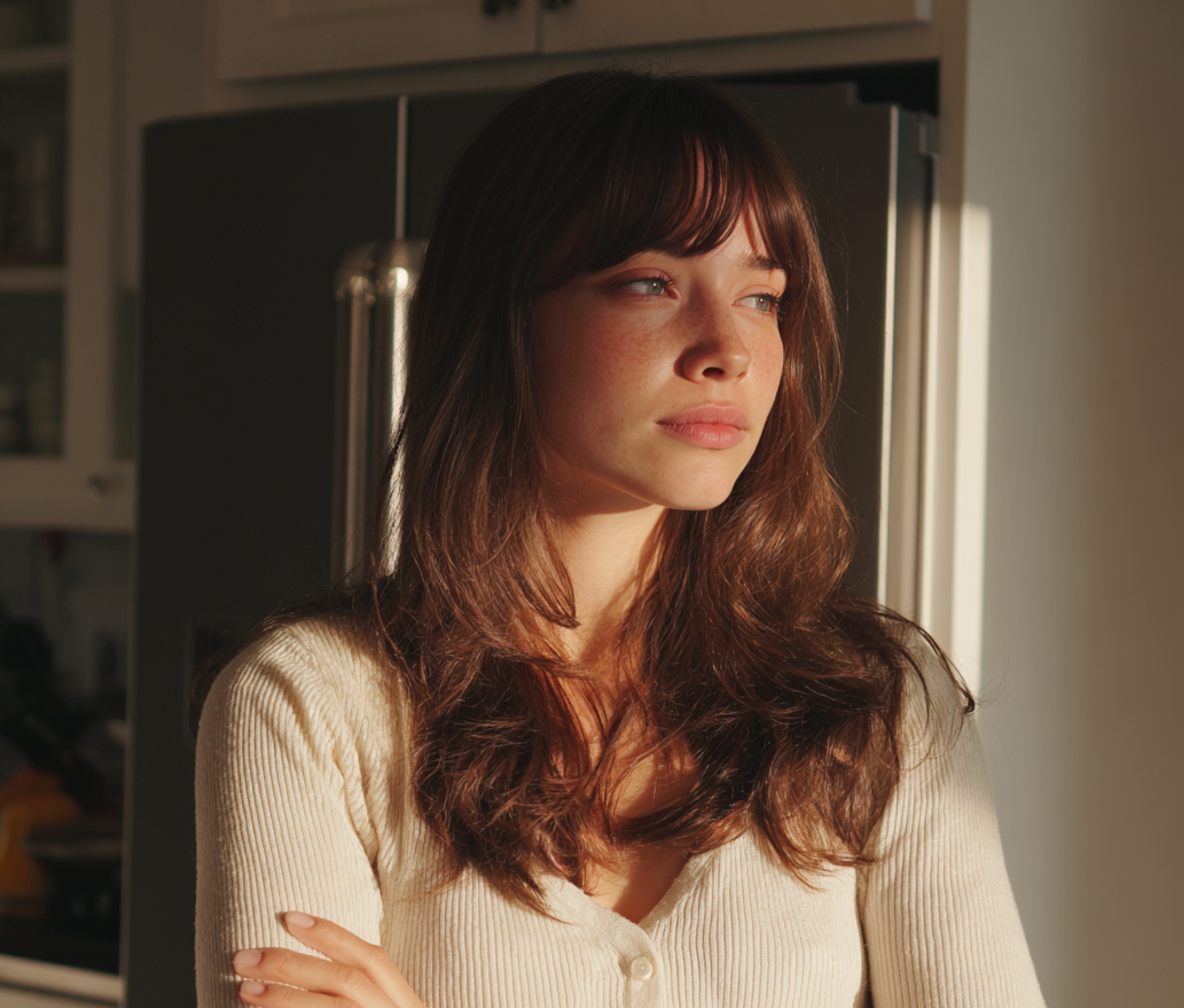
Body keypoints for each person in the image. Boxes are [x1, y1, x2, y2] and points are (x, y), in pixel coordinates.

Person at [195, 69, 1045, 1008]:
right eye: (650, 283)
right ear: (504, 319)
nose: (729, 346)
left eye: (762, 297)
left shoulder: (882, 707)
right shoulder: (309, 705)